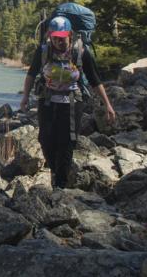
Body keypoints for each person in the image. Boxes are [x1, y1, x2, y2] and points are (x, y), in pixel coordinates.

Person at [18, 16, 115, 188]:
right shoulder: (44, 51)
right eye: (55, 38)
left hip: (72, 101)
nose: (58, 42)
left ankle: (60, 183)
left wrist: (107, 104)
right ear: (50, 35)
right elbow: (31, 74)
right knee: (45, 139)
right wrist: (25, 97)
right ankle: (54, 170)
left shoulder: (81, 52)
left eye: (62, 38)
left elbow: (95, 80)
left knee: (67, 141)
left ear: (70, 34)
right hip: (47, 100)